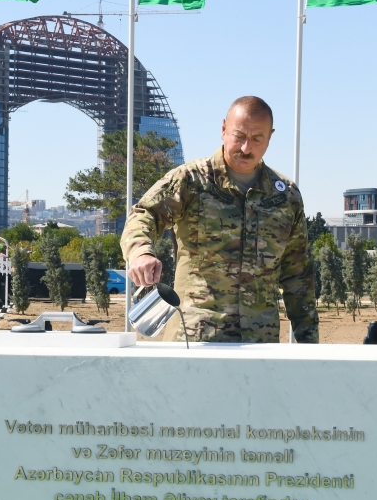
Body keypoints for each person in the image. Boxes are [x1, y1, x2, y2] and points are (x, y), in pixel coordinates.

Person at [121, 96, 318, 343]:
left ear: (270, 137)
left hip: (259, 344)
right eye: (239, 136)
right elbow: (144, 214)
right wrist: (140, 252)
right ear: (223, 129)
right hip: (195, 340)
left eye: (257, 139)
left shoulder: (285, 196)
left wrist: (310, 346)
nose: (246, 148)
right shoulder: (191, 181)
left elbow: (298, 276)